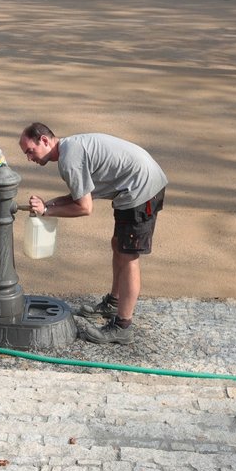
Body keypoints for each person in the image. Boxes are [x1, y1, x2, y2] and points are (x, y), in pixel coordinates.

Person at [18, 122, 167, 345]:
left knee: (129, 257)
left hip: (141, 188)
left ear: (45, 140)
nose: (29, 157)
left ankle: (123, 326)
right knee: (118, 244)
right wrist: (48, 204)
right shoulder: (71, 148)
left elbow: (85, 207)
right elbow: (79, 195)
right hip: (136, 182)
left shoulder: (69, 159)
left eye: (30, 150)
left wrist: (47, 210)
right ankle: (114, 303)